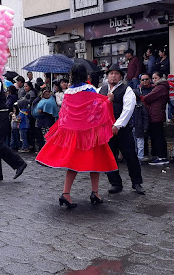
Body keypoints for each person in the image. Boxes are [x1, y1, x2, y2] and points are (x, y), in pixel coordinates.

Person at [36, 64, 117, 208]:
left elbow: (65, 114)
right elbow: (96, 109)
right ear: (86, 75)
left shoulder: (68, 92)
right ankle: (95, 192)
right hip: (90, 134)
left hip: (73, 133)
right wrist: (109, 101)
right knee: (95, 163)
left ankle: (66, 194)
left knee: (72, 165)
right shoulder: (90, 89)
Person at [99, 64, 145, 195]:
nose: (113, 76)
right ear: (107, 76)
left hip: (122, 129)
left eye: (116, 74)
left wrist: (118, 125)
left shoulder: (127, 89)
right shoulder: (101, 90)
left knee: (130, 155)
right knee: (109, 157)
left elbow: (128, 108)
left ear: (120, 77)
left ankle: (136, 183)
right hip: (106, 129)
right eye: (111, 73)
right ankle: (115, 183)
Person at [141, 71, 170, 165]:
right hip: (155, 114)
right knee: (156, 136)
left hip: (156, 115)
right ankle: (159, 155)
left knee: (158, 137)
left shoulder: (160, 87)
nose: (154, 80)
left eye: (155, 78)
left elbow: (147, 98)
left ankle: (161, 156)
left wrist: (143, 98)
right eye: (153, 78)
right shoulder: (160, 87)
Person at [134, 73, 153, 162]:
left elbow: (145, 116)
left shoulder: (140, 105)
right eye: (143, 80)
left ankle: (140, 157)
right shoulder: (129, 106)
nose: (145, 81)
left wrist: (145, 127)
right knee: (134, 143)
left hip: (140, 126)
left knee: (140, 144)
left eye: (146, 79)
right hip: (133, 126)